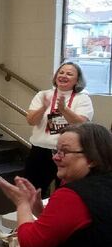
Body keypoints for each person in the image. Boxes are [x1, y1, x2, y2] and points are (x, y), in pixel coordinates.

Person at [0, 123, 112, 247]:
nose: (55, 157)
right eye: (56, 150)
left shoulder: (72, 195)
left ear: (91, 159)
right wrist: (40, 212)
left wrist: (22, 204)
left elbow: (31, 245)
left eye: (64, 152)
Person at [24, 62, 93, 196]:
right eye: (61, 72)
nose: (63, 76)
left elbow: (81, 124)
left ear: (77, 80)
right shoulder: (42, 95)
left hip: (67, 154)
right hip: (39, 151)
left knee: (65, 192)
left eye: (69, 74)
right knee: (31, 192)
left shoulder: (83, 98)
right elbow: (31, 120)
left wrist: (64, 110)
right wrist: (43, 108)